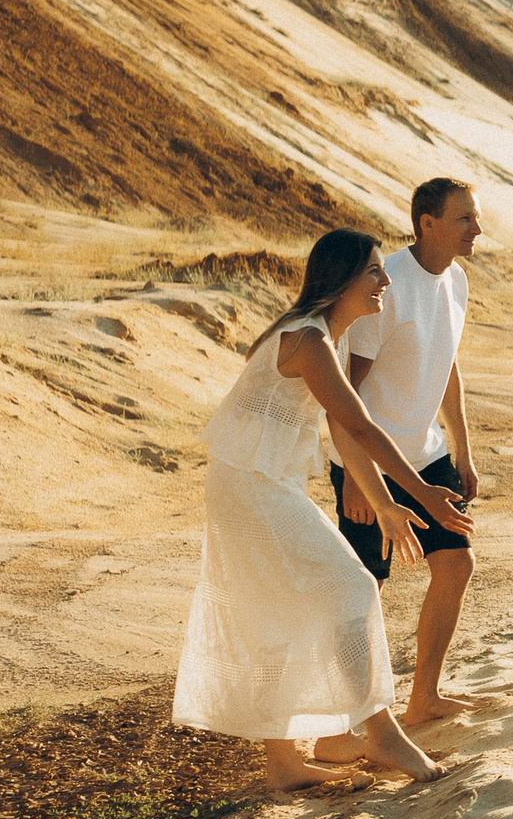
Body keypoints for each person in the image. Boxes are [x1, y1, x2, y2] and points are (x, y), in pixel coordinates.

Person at [172, 229, 459, 790]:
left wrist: (384, 503)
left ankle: (284, 764)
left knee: (277, 611)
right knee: (352, 586)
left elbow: (343, 433)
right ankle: (380, 733)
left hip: (263, 480)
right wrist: (421, 491)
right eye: (374, 271)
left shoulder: (332, 339)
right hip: (250, 484)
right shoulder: (307, 339)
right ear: (342, 279)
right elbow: (360, 425)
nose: (386, 280)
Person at [310, 178, 486, 761]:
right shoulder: (386, 287)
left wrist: (462, 448)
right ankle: (343, 723)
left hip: (426, 452)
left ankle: (424, 698)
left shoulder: (456, 281)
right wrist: (356, 478)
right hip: (369, 458)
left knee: (456, 563)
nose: (477, 229)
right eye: (464, 218)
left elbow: (448, 366)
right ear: (427, 223)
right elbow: (345, 397)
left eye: (475, 218)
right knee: (365, 589)